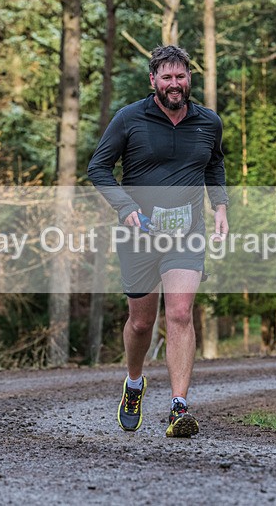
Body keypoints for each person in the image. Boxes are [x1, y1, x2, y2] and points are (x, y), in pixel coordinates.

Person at [87, 45, 229, 438]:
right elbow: (98, 168)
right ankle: (134, 383)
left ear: (189, 79)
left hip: (186, 233)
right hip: (139, 234)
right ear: (153, 81)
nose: (174, 84)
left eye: (180, 76)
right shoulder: (129, 118)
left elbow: (215, 163)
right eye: (166, 77)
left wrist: (220, 206)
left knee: (180, 313)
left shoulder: (208, 122)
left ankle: (179, 406)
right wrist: (124, 207)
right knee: (141, 321)